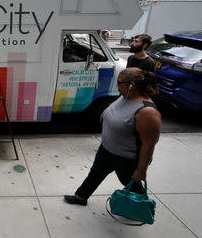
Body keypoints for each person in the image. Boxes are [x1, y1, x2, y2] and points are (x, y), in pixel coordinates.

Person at [64, 67, 161, 206]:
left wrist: (141, 170)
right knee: (95, 174)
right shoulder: (125, 97)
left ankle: (144, 206)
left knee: (131, 184)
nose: (117, 85)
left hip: (126, 159)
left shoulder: (147, 112)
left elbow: (149, 144)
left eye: (119, 82)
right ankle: (81, 197)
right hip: (106, 150)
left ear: (131, 85)